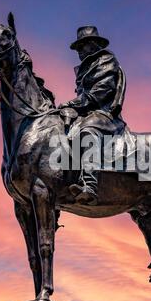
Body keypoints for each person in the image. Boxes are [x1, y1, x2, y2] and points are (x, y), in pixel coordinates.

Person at [59, 26, 127, 205]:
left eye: (83, 46)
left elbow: (100, 92)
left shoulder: (106, 61)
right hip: (88, 111)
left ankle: (90, 186)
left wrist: (72, 104)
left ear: (94, 44)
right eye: (78, 48)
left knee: (87, 131)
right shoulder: (84, 68)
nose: (80, 51)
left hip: (105, 113)